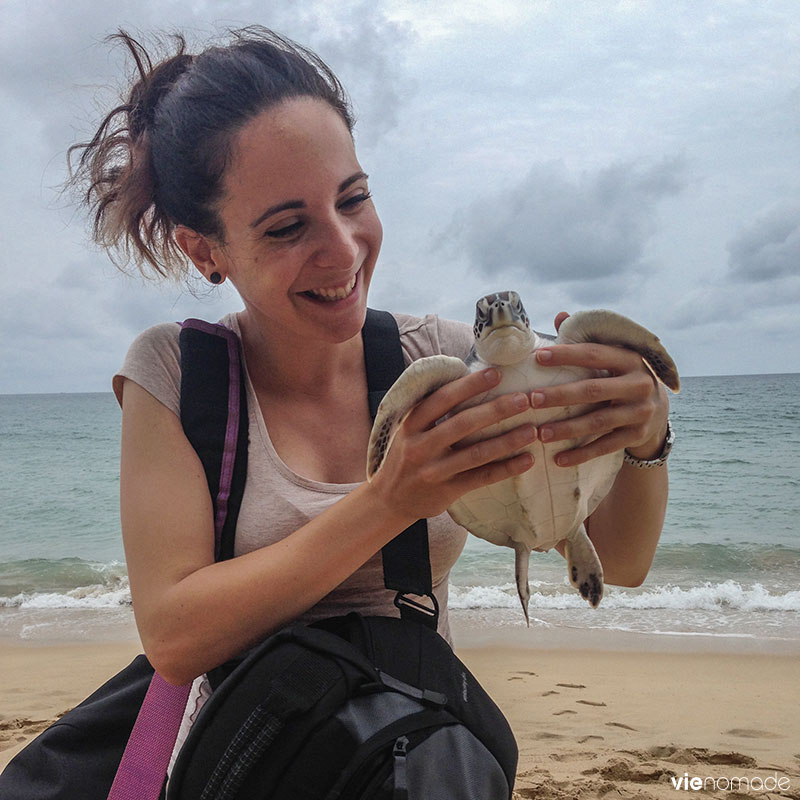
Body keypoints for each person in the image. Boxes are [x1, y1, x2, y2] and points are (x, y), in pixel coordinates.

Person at [71, 27, 670, 766]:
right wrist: (390, 500)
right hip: (251, 763)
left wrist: (645, 436)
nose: (344, 250)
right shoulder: (177, 374)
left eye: (352, 198)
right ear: (206, 249)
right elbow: (173, 635)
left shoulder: (447, 357)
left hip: (411, 756)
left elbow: (624, 558)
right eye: (289, 227)